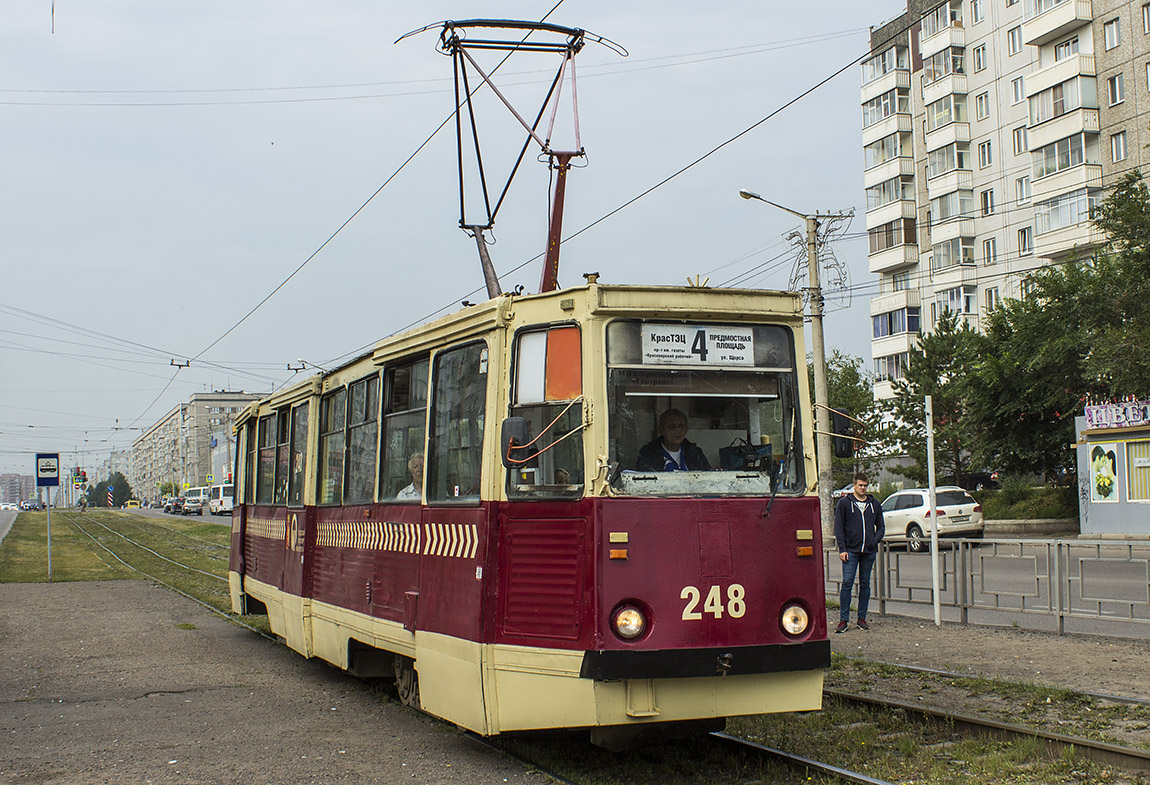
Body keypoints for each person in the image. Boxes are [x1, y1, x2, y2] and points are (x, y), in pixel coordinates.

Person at [833, 472, 884, 633]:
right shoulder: (844, 503)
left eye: (864, 485)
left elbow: (881, 526)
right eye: (859, 485)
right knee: (847, 583)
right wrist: (842, 548)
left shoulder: (874, 504)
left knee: (865, 584)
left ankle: (862, 618)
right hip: (851, 551)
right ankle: (843, 619)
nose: (862, 488)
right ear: (854, 485)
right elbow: (839, 527)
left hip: (868, 551)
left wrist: (874, 540)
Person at [635, 409, 712, 471]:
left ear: (686, 429)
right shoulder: (648, 454)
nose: (677, 430)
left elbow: (708, 479)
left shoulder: (695, 453)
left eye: (681, 426)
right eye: (672, 426)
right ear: (660, 430)